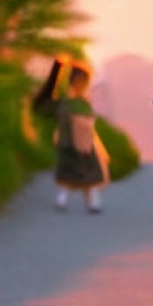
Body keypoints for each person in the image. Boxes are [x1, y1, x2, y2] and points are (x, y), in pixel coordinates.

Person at [33, 57, 110, 213]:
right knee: (80, 176)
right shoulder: (70, 103)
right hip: (77, 144)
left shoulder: (74, 103)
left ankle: (82, 203)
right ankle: (82, 203)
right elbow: (41, 106)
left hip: (77, 144)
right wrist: (56, 69)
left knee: (77, 176)